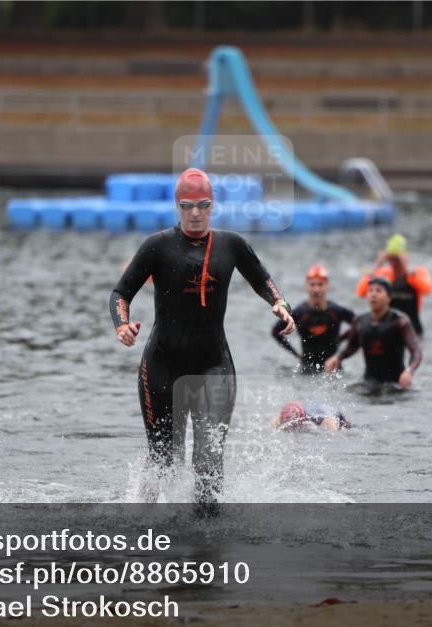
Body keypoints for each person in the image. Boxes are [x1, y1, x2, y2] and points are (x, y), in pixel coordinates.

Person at [110, 167, 295, 506]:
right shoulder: (157, 246)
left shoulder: (232, 244)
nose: (195, 213)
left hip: (213, 366)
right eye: (187, 205)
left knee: (208, 460)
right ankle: (143, 518)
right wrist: (122, 324)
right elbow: (121, 292)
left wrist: (280, 304)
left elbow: (263, 280)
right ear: (177, 206)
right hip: (162, 366)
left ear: (213, 205)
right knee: (165, 459)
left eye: (203, 205)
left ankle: (206, 530)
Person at [325, 276, 422, 389]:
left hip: (395, 385)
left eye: (378, 291)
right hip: (369, 383)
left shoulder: (400, 322)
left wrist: (409, 371)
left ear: (389, 298)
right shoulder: (360, 321)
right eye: (370, 291)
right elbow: (351, 347)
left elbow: (416, 351)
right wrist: (337, 357)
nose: (373, 294)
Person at [271, 263, 354, 374]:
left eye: (320, 284)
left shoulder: (337, 311)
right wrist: (295, 354)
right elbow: (276, 332)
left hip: (334, 369)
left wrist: (341, 341)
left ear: (327, 286)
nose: (316, 289)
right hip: (307, 369)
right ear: (307, 286)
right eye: (312, 284)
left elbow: (359, 325)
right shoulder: (300, 313)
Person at [356, 234, 432, 336]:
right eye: (391, 259)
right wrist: (377, 265)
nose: (395, 263)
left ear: (406, 257)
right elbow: (361, 292)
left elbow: (427, 289)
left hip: (413, 329)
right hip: (388, 330)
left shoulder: (418, 273)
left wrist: (405, 270)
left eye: (397, 259)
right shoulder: (383, 274)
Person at [271, 400, 351, 432]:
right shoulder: (283, 416)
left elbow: (333, 431)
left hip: (332, 414)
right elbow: (273, 425)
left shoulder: (316, 418)